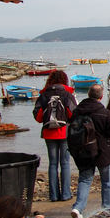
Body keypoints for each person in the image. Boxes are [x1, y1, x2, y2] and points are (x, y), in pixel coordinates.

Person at [69, 84, 110, 218]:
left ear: (88, 94)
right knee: (106, 181)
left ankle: (78, 208)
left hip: (83, 151)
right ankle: (107, 209)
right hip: (102, 151)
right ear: (101, 97)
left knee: (84, 179)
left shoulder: (78, 111)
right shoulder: (103, 112)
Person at [32, 70, 78, 202]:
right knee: (65, 163)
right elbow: (73, 114)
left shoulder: (44, 94)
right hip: (64, 132)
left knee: (52, 164)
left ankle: (53, 195)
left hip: (48, 132)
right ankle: (66, 194)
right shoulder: (67, 94)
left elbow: (38, 117)